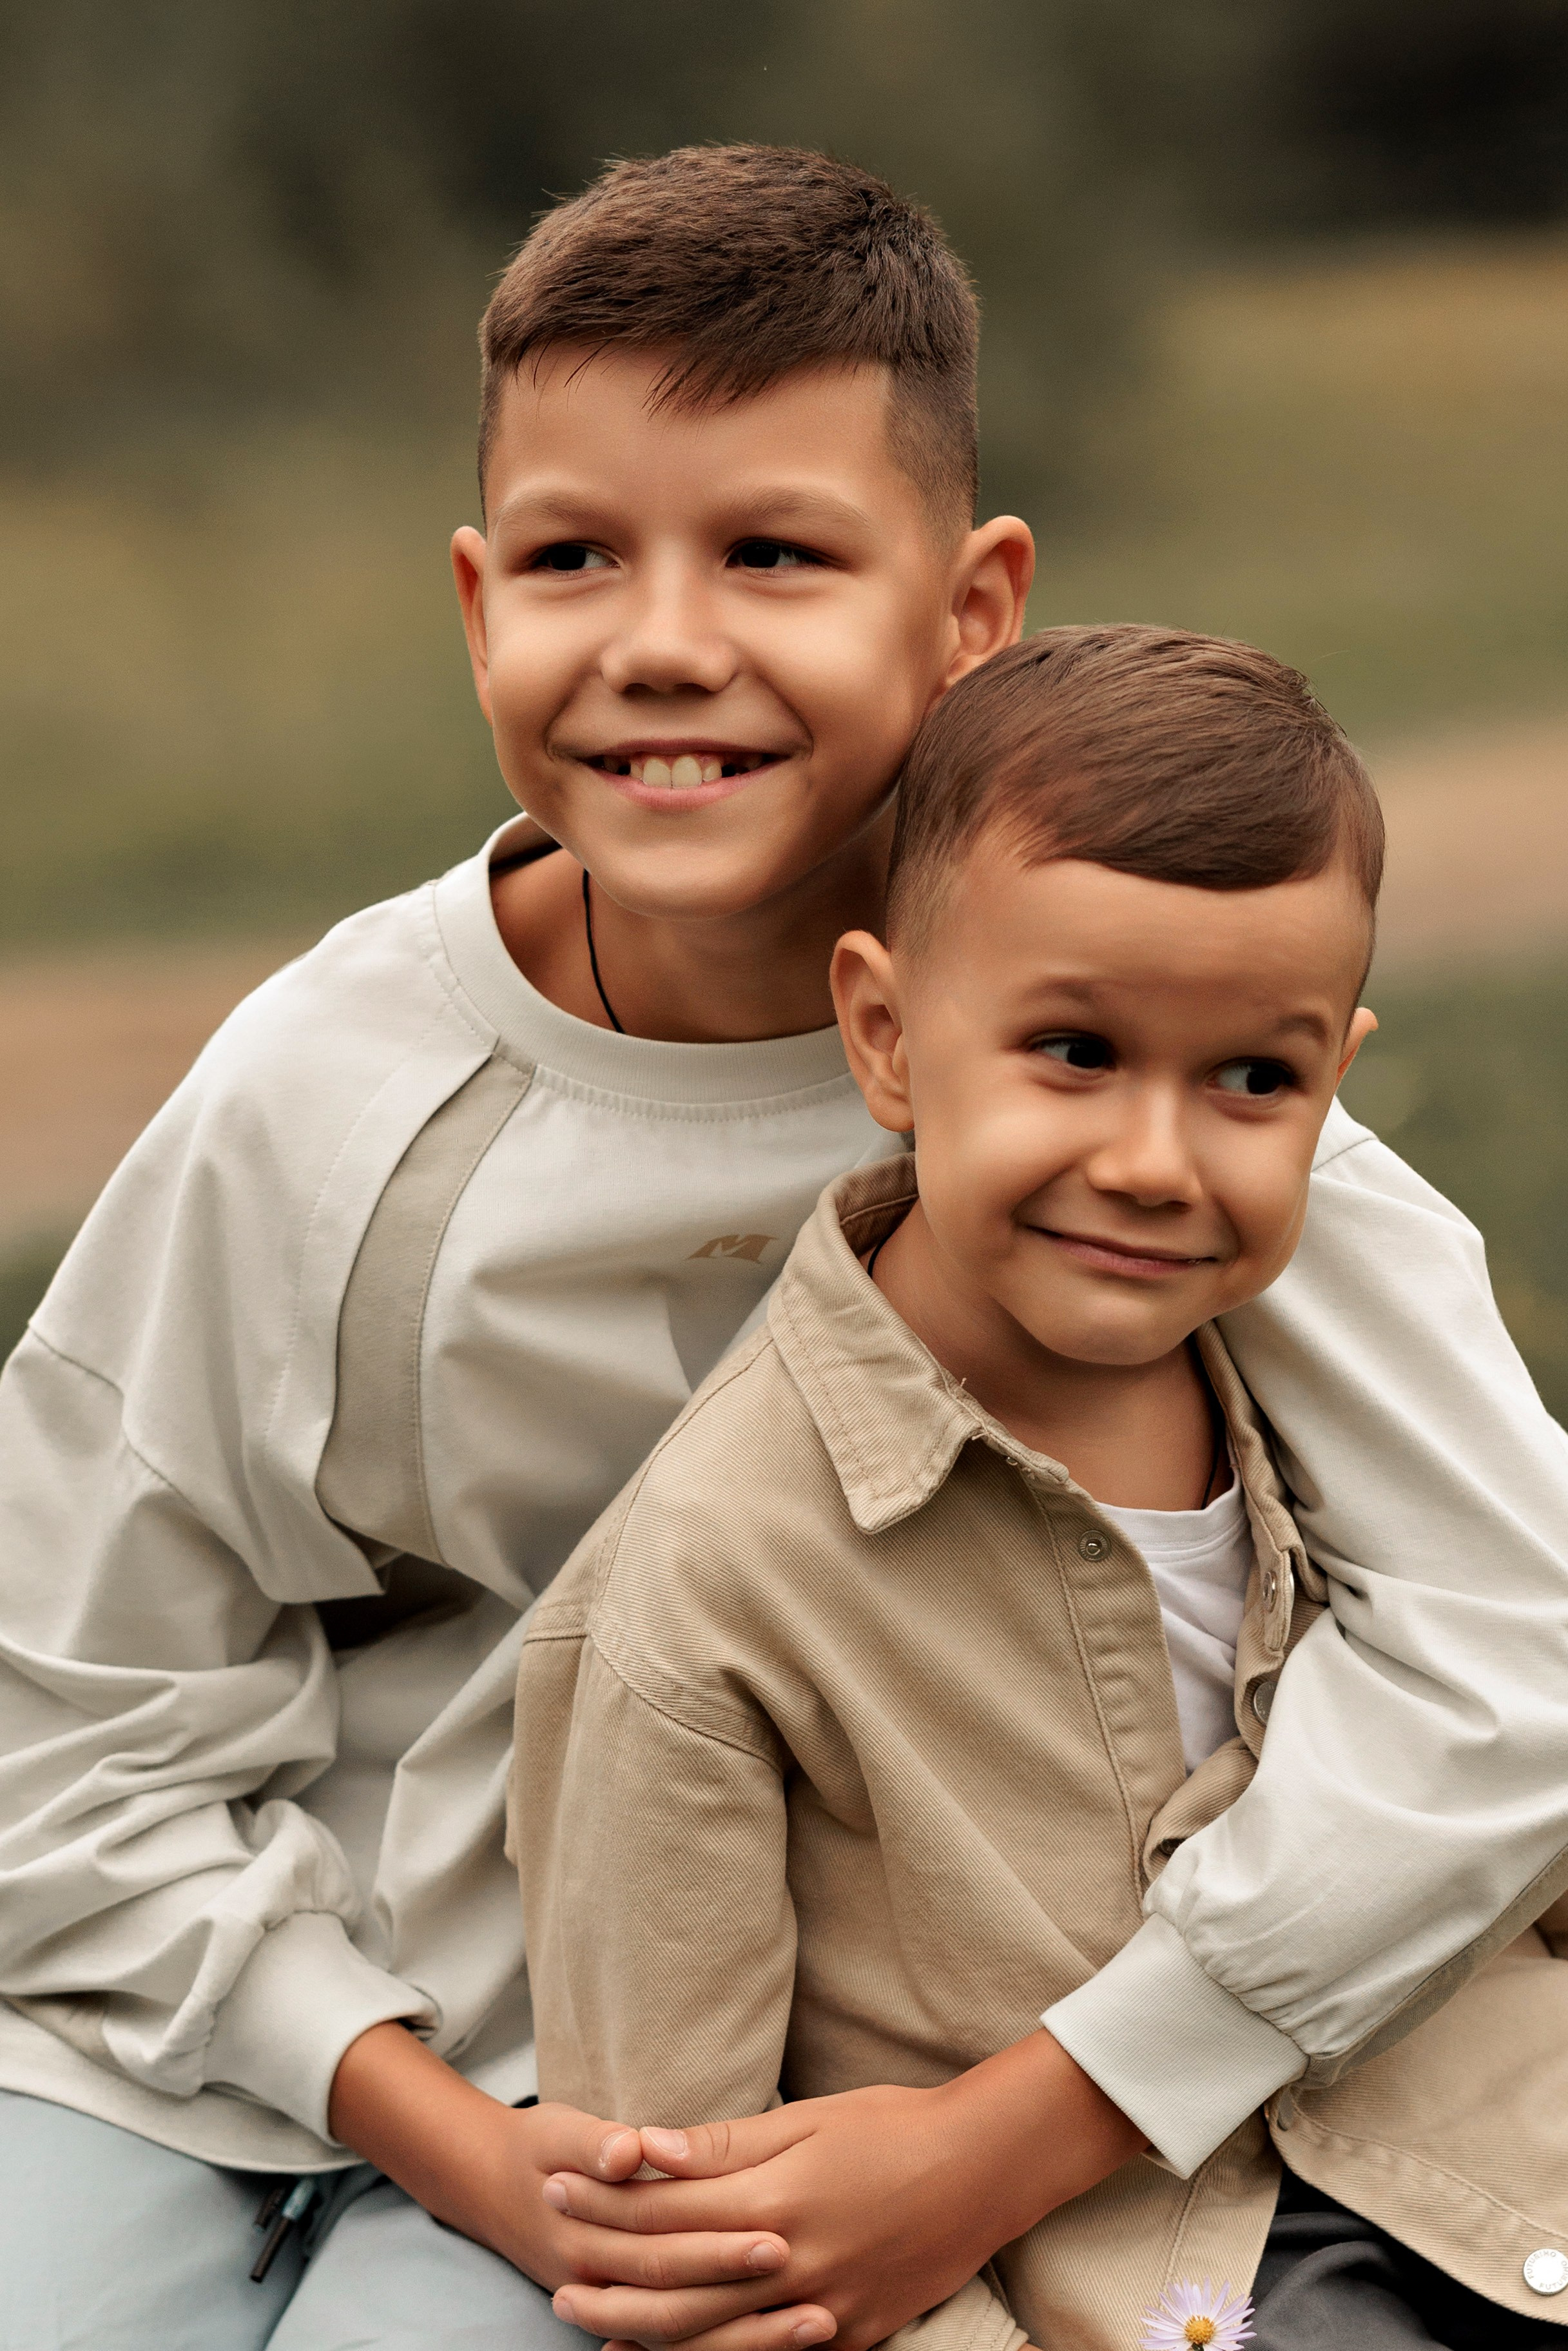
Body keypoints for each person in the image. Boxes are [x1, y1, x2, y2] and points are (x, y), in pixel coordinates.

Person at [0, 146, 1563, 2351]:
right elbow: (69, 1701)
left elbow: (1519, 1665)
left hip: (688, 2084)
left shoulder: (1106, 1100)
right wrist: (401, 2106)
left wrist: (1039, 2118)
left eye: (770, 553)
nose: (662, 641)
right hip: (197, 2018)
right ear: (475, 605)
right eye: (572, 557)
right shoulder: (324, 1095)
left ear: (967, 608)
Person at [513, 627, 1568, 2351]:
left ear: (1334, 1087)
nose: (1152, 1165)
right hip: (1136, 2288)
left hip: (1493, 2171)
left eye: (1251, 1079)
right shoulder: (702, 1587)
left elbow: (1523, 1762)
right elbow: (702, 2226)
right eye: (1072, 1051)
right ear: (886, 1036)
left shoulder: (1321, 1385)